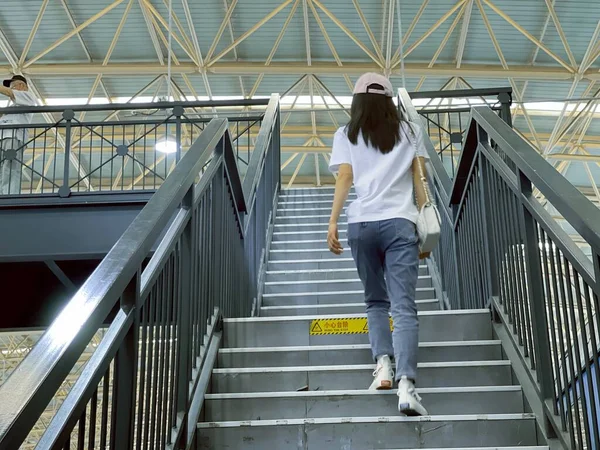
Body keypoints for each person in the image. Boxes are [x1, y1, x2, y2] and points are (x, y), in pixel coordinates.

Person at [327, 73, 430, 416]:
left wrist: (333, 222)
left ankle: (383, 366)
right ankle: (406, 387)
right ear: (390, 101)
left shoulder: (346, 134)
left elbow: (345, 176)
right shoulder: (411, 131)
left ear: (357, 103)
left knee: (375, 300)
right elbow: (419, 180)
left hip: (361, 224)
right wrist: (426, 226)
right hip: (400, 222)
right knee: (403, 306)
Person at [0, 75, 37, 195]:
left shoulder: (28, 97)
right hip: (3, 137)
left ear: (21, 86)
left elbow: (9, 93)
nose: (11, 90)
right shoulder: (10, 108)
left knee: (10, 168)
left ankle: (9, 195)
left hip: (14, 137)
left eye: (13, 86)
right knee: (2, 170)